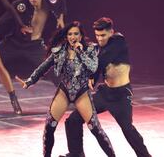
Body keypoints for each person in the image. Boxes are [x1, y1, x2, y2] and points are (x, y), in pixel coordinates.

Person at [15, 21, 115, 157]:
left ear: (81, 36)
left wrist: (80, 52)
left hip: (82, 92)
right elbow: (44, 66)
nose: (72, 37)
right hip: (64, 91)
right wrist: (30, 81)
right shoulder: (60, 50)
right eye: (70, 34)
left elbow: (93, 68)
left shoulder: (91, 49)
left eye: (76, 34)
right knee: (49, 127)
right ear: (66, 36)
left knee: (95, 129)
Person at [60, 18, 151, 157]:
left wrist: (92, 77)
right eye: (97, 35)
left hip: (121, 96)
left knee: (127, 129)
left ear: (111, 32)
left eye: (103, 35)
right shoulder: (99, 47)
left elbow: (101, 61)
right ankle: (76, 153)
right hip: (105, 93)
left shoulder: (118, 42)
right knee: (73, 120)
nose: (100, 39)